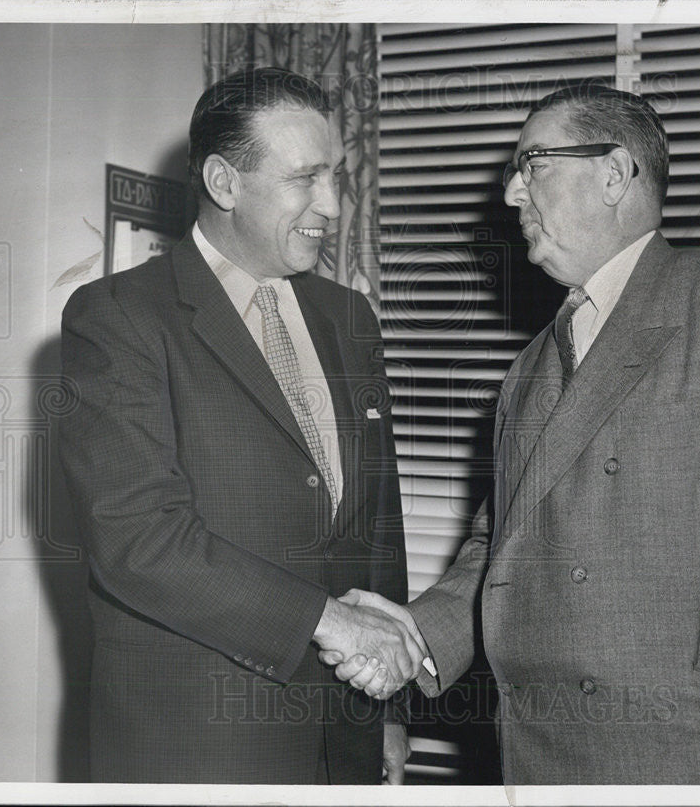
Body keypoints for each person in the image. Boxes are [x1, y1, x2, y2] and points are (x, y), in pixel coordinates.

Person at [326, 82, 700, 785]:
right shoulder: (530, 367)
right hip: (546, 754)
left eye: (531, 165)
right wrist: (414, 637)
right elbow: (496, 549)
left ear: (615, 173)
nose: (510, 196)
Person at [58, 67, 425, 785]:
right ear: (224, 184)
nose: (332, 205)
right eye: (305, 179)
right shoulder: (119, 318)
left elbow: (377, 523)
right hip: (200, 743)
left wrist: (388, 707)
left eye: (337, 179)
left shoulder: (350, 318)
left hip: (345, 733)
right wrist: (333, 623)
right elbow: (138, 540)